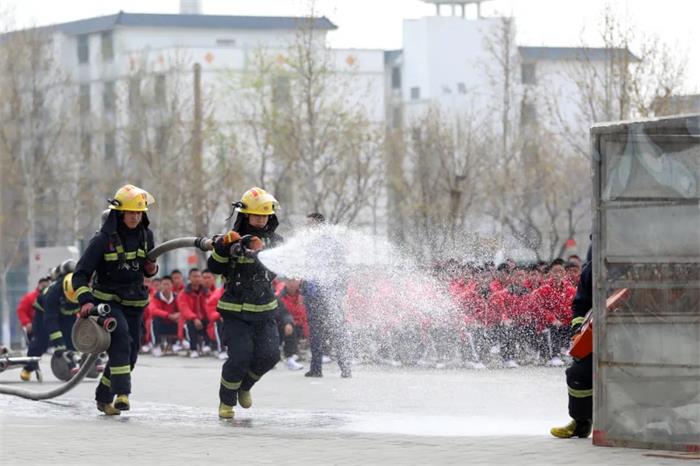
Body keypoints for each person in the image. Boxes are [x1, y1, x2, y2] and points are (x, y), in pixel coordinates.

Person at [72, 184, 158, 415]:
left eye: (139, 213)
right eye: (131, 212)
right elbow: (80, 275)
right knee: (121, 342)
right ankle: (122, 395)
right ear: (119, 213)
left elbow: (145, 267)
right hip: (108, 303)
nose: (135, 217)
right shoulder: (102, 240)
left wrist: (151, 269)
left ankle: (103, 397)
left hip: (135, 304)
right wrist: (86, 301)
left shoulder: (146, 236)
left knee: (131, 355)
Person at [207, 187, 283, 419]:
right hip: (235, 310)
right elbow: (214, 267)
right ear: (245, 215)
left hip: (264, 309)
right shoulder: (232, 237)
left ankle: (245, 386)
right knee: (240, 356)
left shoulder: (277, 241)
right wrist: (223, 248)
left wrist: (259, 252)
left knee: (270, 355)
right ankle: (226, 402)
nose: (260, 220)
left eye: (264, 216)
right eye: (256, 215)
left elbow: (276, 268)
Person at [302, 212, 352, 379]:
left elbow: (341, 266)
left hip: (328, 294)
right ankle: (316, 368)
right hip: (312, 294)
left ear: (320, 224)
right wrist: (304, 290)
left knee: (335, 329)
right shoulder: (307, 244)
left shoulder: (331, 242)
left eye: (311, 224)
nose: (308, 227)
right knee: (315, 333)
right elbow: (305, 268)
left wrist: (340, 290)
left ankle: (345, 367)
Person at [551, 245, 593, 438]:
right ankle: (581, 421)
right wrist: (578, 330)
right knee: (577, 374)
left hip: (635, 333)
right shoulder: (591, 271)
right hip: (599, 331)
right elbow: (580, 304)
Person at [20, 261, 79, 381]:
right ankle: (28, 368)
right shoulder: (53, 293)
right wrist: (58, 344)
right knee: (41, 341)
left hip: (67, 315)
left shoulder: (83, 287)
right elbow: (50, 320)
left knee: (70, 337)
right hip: (43, 314)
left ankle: (71, 365)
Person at [177, 268, 211, 357]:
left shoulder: (207, 292)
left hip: (203, 320)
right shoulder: (183, 293)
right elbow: (184, 309)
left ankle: (208, 345)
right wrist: (194, 318)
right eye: (194, 276)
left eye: (199, 276)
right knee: (190, 323)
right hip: (188, 321)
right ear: (189, 278)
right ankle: (193, 349)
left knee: (212, 321)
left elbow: (210, 306)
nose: (197, 279)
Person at [148, 275, 180, 357]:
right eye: (164, 284)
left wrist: (179, 314)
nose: (166, 287)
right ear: (160, 286)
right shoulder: (155, 297)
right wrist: (168, 315)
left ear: (172, 286)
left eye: (168, 284)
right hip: (161, 324)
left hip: (173, 323)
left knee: (183, 320)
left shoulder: (177, 296)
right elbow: (153, 310)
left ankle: (178, 343)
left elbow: (183, 308)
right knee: (154, 320)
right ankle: (156, 345)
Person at [16, 277, 50, 343]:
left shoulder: (51, 297)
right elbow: (21, 310)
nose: (44, 288)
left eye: (46, 286)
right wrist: (27, 323)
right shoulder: (30, 297)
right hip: (34, 327)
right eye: (43, 286)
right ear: (39, 285)